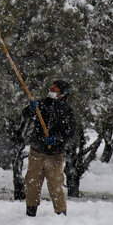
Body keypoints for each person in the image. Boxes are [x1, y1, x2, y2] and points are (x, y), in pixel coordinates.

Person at [21, 80, 76, 217]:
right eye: (51, 88)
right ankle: (30, 213)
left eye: (55, 90)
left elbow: (69, 133)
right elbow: (26, 114)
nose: (51, 91)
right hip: (36, 152)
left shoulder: (67, 112)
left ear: (62, 94)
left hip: (55, 156)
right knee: (32, 184)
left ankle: (61, 214)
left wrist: (56, 139)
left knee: (55, 186)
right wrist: (30, 109)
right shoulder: (41, 105)